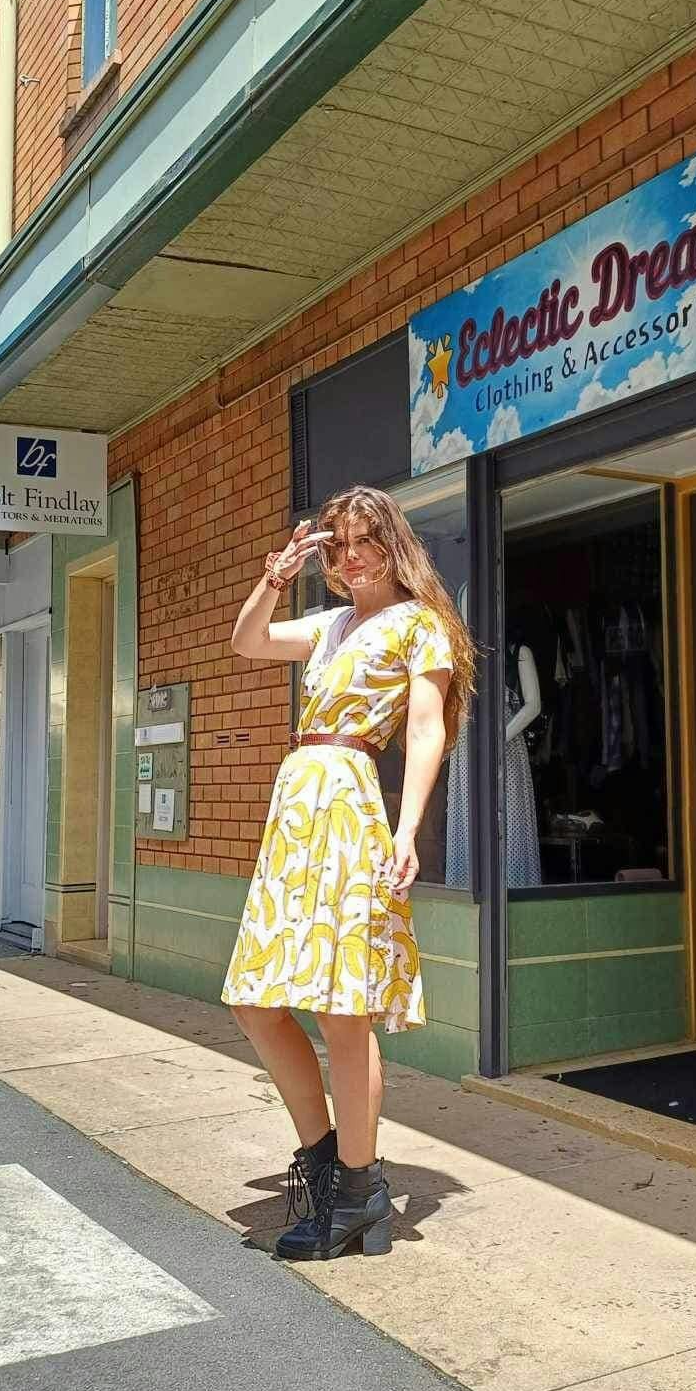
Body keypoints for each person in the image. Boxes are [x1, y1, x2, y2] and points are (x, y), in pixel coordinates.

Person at [222, 485, 473, 1261]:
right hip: (296, 806)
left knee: (344, 1008)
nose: (352, 555)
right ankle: (332, 1165)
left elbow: (427, 729)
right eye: (337, 545)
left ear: (392, 544)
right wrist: (274, 575)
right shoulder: (331, 625)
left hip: (353, 804)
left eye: (365, 540)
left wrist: (409, 828)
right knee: (257, 1000)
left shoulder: (418, 625)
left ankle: (357, 1191)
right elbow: (248, 644)